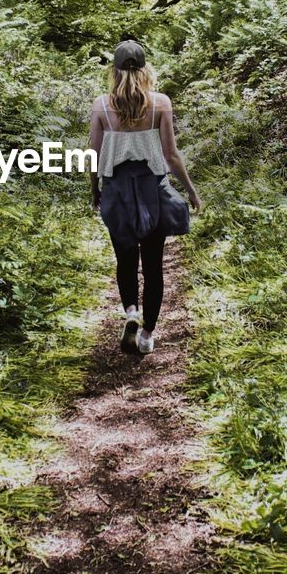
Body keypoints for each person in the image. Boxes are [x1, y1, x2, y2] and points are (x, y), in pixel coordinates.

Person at [89, 39, 201, 354]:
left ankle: (131, 312)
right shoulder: (161, 103)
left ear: (114, 70)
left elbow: (94, 157)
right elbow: (172, 155)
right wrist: (190, 191)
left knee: (125, 261)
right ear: (145, 68)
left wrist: (94, 191)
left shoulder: (101, 106)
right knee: (153, 267)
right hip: (152, 189)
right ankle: (147, 335)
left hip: (117, 191)